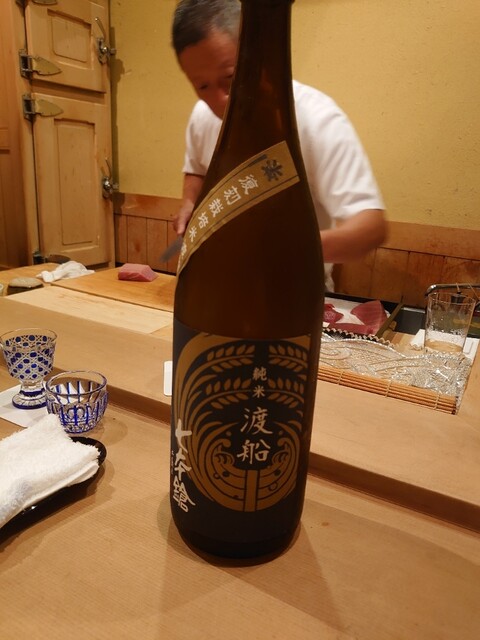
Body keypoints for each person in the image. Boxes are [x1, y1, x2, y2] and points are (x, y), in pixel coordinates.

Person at [171, 0, 386, 291]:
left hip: (293, 291)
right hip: (220, 285)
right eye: (202, 86)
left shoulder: (316, 118)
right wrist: (188, 203)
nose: (220, 100)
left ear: (258, 54)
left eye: (231, 77)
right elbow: (196, 170)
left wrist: (278, 250)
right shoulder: (202, 116)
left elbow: (371, 229)